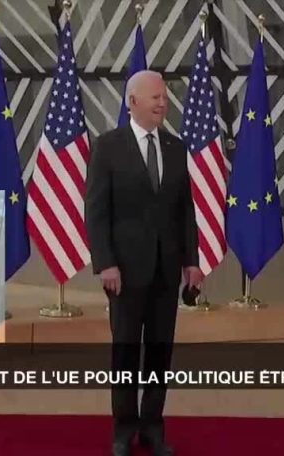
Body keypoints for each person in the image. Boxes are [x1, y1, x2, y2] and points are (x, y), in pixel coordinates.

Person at [85, 70, 202, 456]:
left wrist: (191, 261)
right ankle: (124, 429)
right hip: (123, 271)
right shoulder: (107, 147)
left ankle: (153, 427)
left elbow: (185, 210)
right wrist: (105, 263)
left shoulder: (175, 148)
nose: (162, 103)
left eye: (164, 97)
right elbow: (96, 211)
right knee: (125, 351)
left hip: (166, 271)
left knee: (158, 352)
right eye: (155, 97)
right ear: (132, 102)